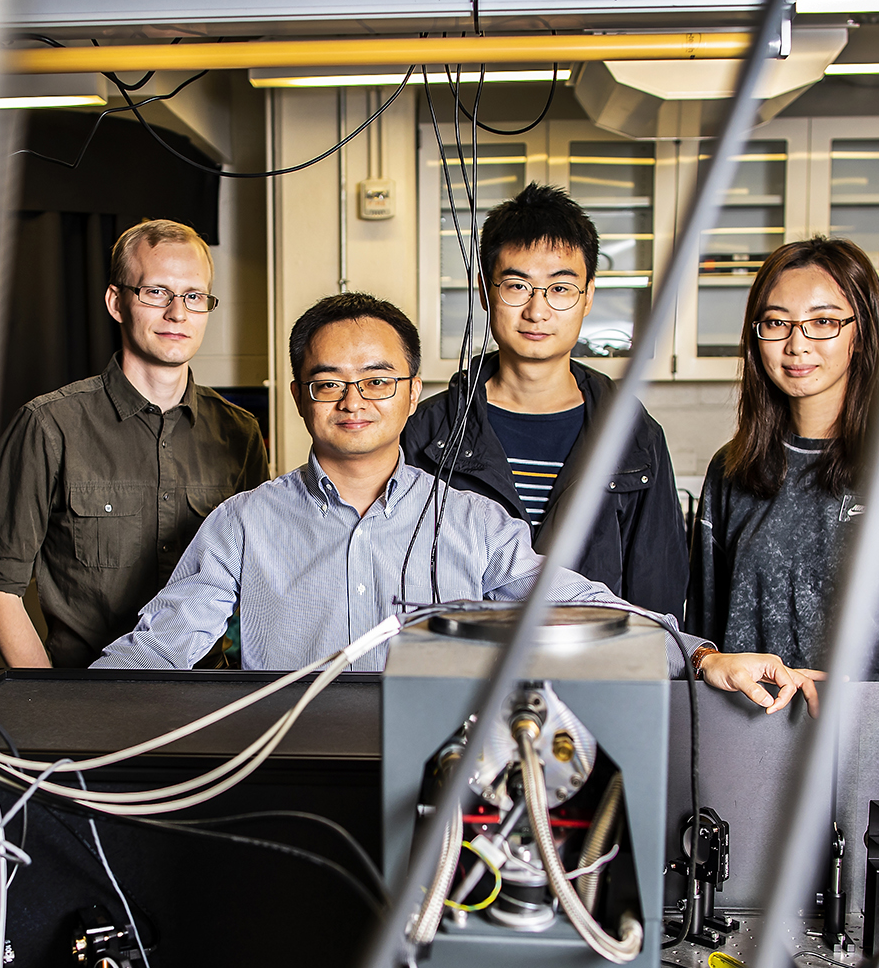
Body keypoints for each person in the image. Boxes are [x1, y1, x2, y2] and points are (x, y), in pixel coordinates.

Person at [97, 292, 819, 716]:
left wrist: (701, 658)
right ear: (300, 398)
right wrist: (42, 715)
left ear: (415, 394)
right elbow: (158, 647)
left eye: (379, 380)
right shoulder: (244, 526)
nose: (355, 400)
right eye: (329, 383)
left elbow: (581, 605)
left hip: (439, 795)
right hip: (286, 783)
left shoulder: (472, 524)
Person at [0, 219, 267, 668]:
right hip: (88, 701)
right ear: (116, 302)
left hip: (206, 702)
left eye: (193, 296)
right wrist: (51, 705)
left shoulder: (240, 432)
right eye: (156, 292)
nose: (177, 313)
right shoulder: (49, 425)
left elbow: (255, 583)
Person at [693, 237, 879, 681]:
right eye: (776, 322)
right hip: (742, 735)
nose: (796, 345)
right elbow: (704, 643)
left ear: (860, 334)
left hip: (870, 741)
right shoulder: (731, 472)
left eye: (822, 321)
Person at [403, 184, 686, 619]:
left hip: (590, 671)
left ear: (588, 295)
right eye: (517, 286)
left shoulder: (633, 434)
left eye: (560, 289)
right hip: (464, 668)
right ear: (484, 291)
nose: (537, 311)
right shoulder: (428, 430)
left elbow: (656, 593)